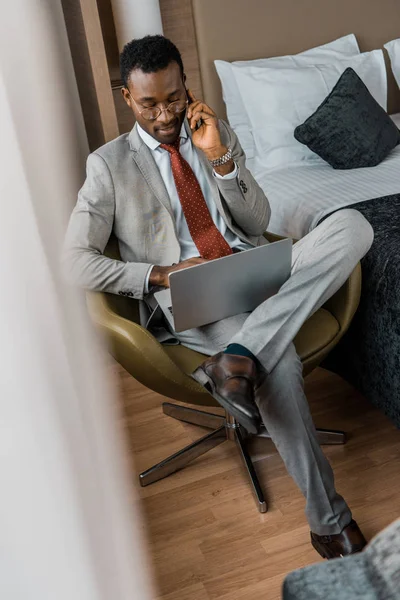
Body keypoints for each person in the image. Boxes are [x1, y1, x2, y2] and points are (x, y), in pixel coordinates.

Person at [63, 35, 374, 559]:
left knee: (354, 226)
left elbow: (256, 222)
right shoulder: (107, 166)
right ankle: (330, 521)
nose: (165, 114)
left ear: (187, 86)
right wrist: (160, 274)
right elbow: (73, 261)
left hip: (253, 267)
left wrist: (222, 159)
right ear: (126, 98)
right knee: (282, 367)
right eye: (149, 103)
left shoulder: (212, 130)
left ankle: (240, 358)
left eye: (174, 97)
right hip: (193, 295)